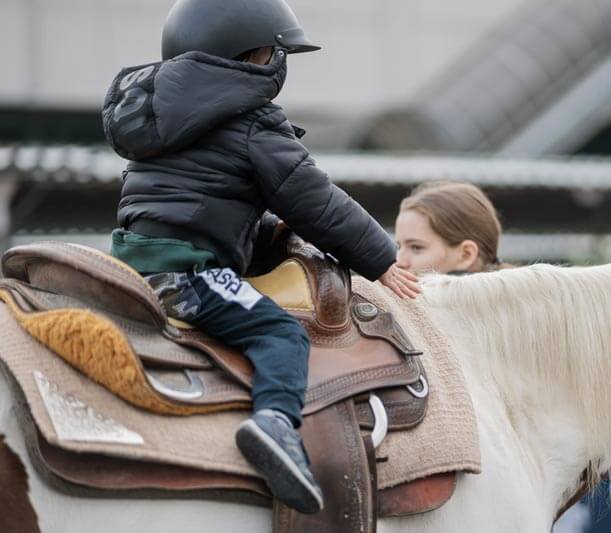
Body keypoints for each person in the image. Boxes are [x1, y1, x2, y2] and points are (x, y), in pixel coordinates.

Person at [101, 0, 419, 515]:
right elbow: (315, 199)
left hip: (133, 261)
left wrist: (268, 231)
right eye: (274, 52)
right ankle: (275, 425)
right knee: (280, 333)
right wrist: (381, 258)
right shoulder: (250, 122)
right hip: (190, 273)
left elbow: (200, 204)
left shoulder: (159, 117)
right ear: (252, 56)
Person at [395, 181, 611, 532]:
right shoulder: (415, 314)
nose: (400, 260)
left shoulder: (529, 318)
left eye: (416, 247)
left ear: (466, 254)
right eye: (398, 245)